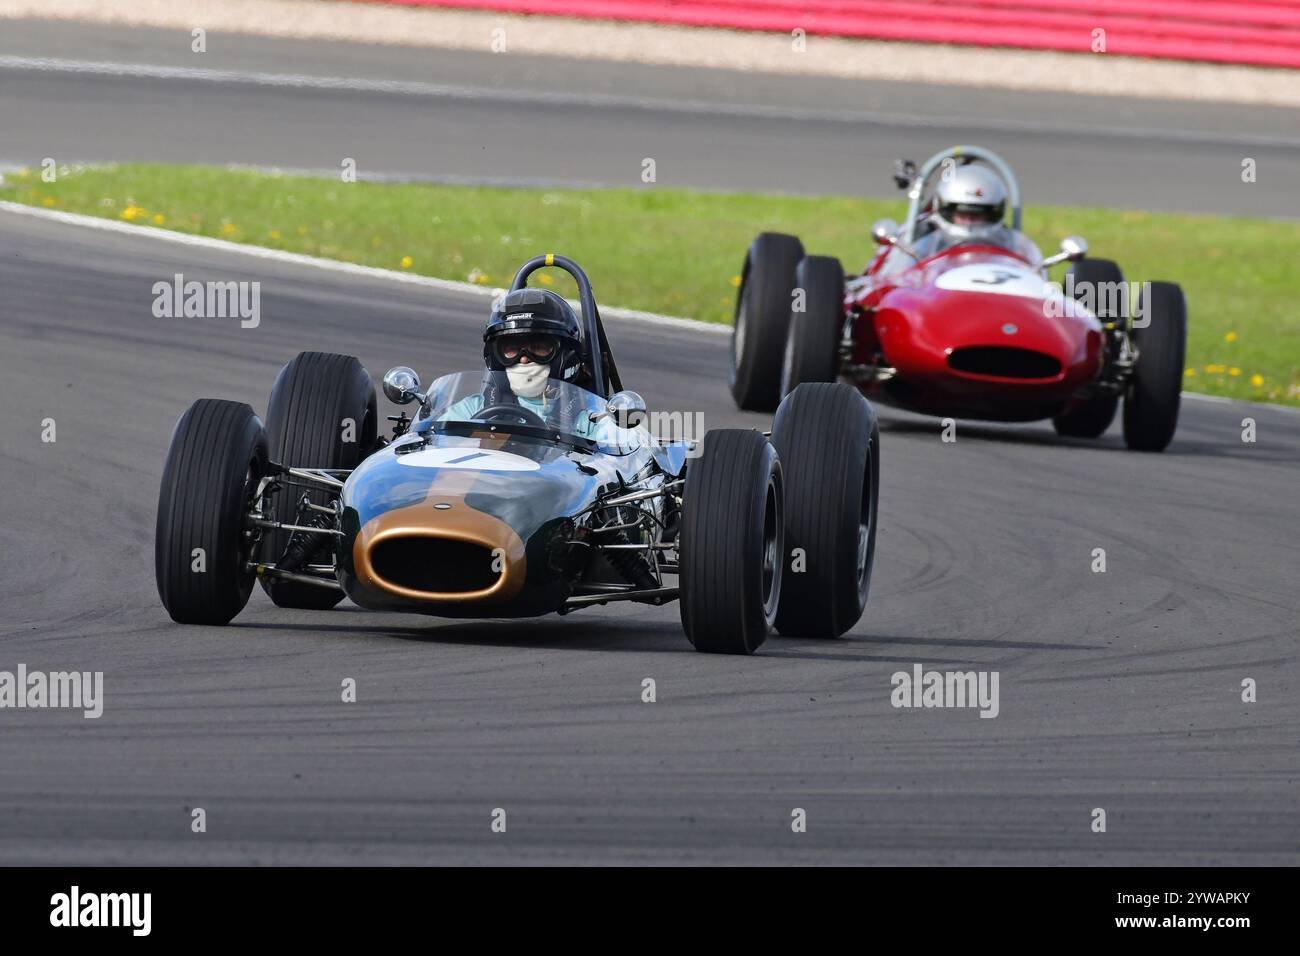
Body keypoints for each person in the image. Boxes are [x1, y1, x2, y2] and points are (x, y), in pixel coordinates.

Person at [437, 288, 645, 451]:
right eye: (511, 349)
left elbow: (628, 462)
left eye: (539, 347)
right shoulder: (472, 410)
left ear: (565, 355)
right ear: (496, 357)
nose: (525, 358)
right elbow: (430, 448)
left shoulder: (594, 419)